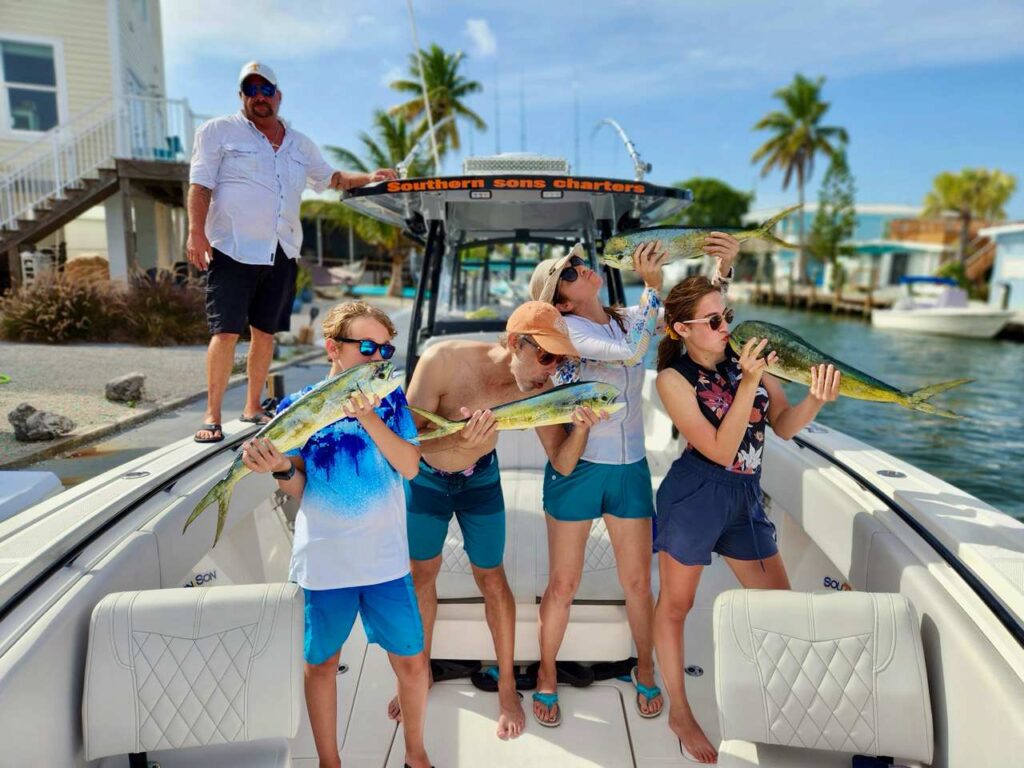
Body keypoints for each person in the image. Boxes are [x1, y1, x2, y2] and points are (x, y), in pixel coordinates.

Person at [526, 234, 738, 728]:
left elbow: (693, 322)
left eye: (579, 261)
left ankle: (645, 666)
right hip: (578, 470)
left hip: (630, 469)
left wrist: (721, 272)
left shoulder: (624, 317)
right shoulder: (567, 329)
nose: (582, 266)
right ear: (561, 298)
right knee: (564, 583)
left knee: (640, 582)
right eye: (572, 270)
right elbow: (629, 353)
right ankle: (547, 672)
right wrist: (650, 285)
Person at [394, 301, 604, 740]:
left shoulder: (536, 388)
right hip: (427, 481)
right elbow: (404, 444)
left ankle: (507, 687)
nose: (551, 370)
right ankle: (420, 673)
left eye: (562, 361)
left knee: (492, 580)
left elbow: (562, 464)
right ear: (514, 343)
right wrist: (456, 435)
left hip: (480, 482)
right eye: (545, 356)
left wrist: (581, 428)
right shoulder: (443, 361)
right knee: (420, 578)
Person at [652, 276, 841, 763]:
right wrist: (750, 381)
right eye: (713, 321)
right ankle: (679, 710)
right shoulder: (672, 379)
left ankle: (780, 696)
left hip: (745, 494)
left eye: (728, 317)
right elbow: (717, 449)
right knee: (676, 606)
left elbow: (781, 425)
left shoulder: (748, 360)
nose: (725, 327)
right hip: (696, 492)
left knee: (781, 605)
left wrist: (815, 399)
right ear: (682, 329)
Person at [238, 300, 432, 768]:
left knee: (411, 662)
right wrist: (281, 468)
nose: (378, 357)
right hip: (325, 562)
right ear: (333, 348)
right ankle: (330, 762)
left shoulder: (390, 402)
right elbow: (302, 487)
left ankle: (416, 754)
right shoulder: (297, 408)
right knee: (322, 664)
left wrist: (367, 417)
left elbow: (409, 466)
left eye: (385, 350)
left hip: (385, 560)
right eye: (367, 346)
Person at [187, 60, 395, 443]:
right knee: (226, 332)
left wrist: (370, 177)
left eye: (266, 90)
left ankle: (253, 406)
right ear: (242, 97)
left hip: (281, 251)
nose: (259, 97)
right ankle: (212, 415)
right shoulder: (218, 131)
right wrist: (195, 233)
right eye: (251, 90)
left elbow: (331, 178)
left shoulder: (300, 144)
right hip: (231, 249)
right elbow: (200, 185)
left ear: (278, 96)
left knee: (265, 334)